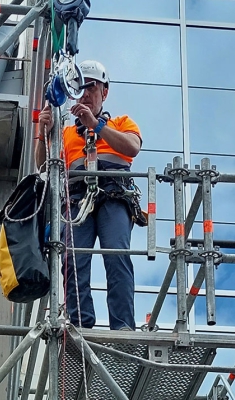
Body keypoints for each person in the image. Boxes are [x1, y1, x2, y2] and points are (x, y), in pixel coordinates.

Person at [35, 60, 142, 330]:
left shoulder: (120, 123)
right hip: (77, 202)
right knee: (72, 259)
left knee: (116, 256)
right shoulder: (66, 133)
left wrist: (96, 125)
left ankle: (123, 327)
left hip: (114, 199)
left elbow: (131, 148)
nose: (85, 94)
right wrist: (43, 135)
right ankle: (81, 324)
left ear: (104, 93)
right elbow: (44, 166)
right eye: (80, 88)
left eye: (91, 88)